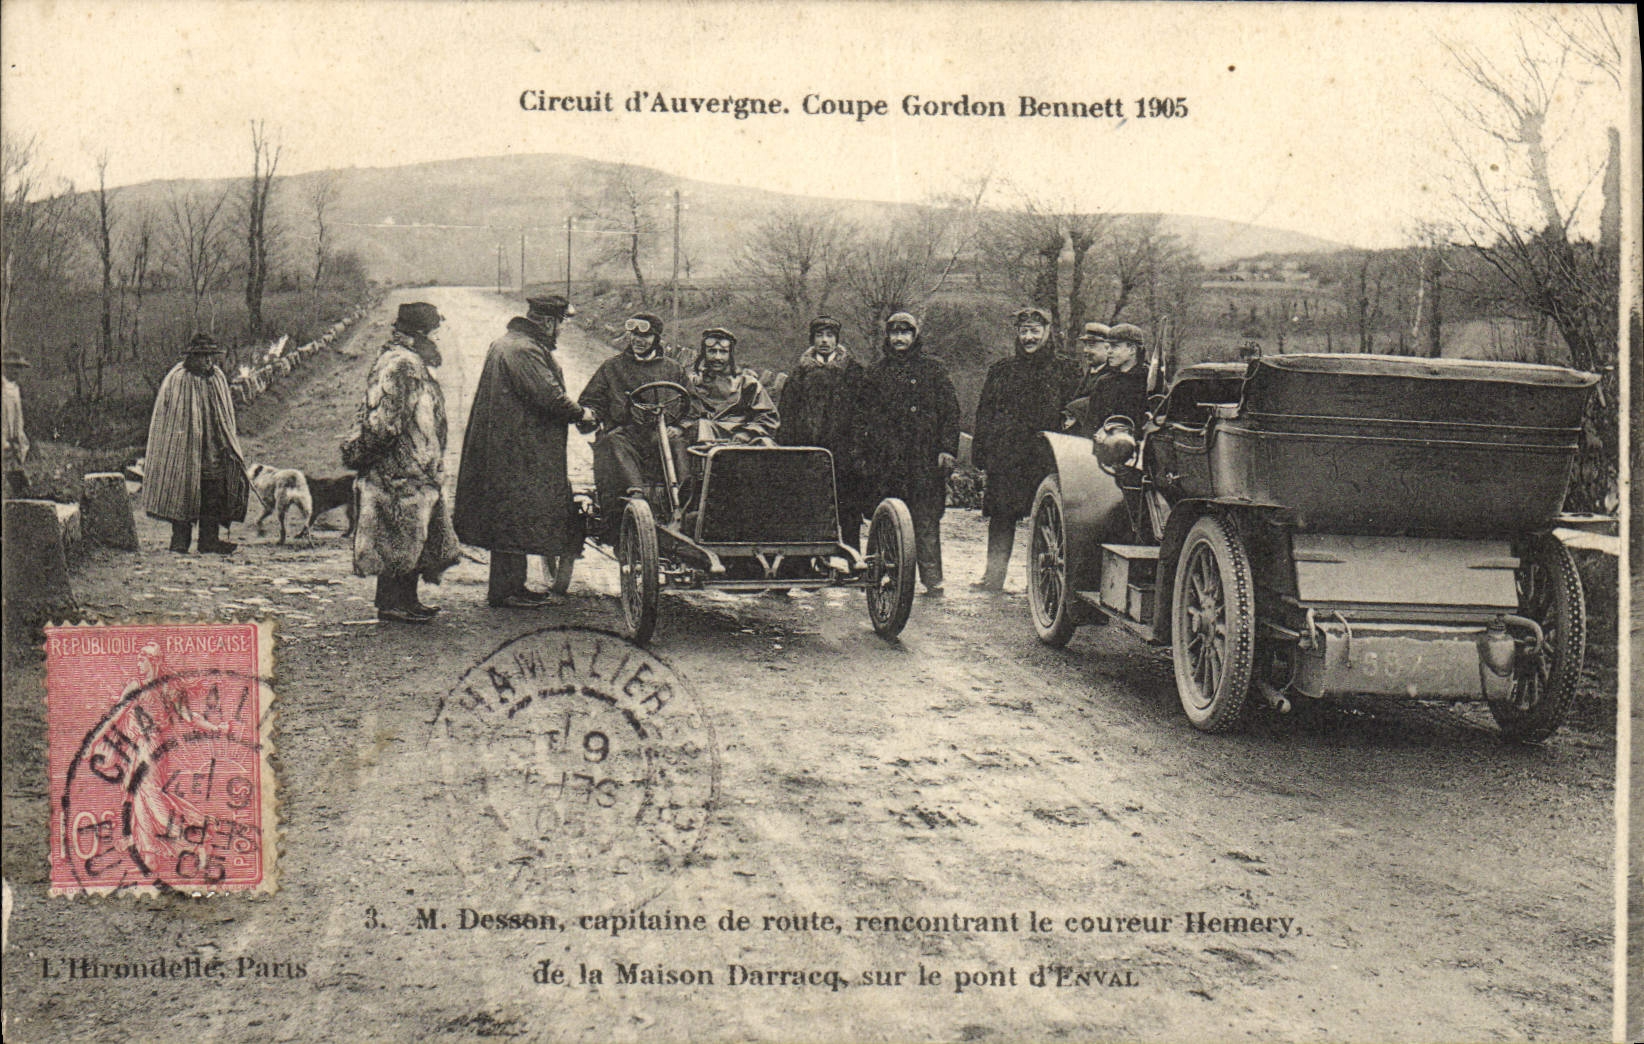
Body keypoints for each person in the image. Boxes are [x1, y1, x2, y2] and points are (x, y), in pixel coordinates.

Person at [454, 294, 595, 609]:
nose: (560, 330)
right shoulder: (523, 349)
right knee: (513, 516)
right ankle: (506, 591)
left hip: (511, 445)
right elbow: (549, 396)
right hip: (518, 448)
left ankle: (511, 586)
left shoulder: (513, 343)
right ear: (548, 321)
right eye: (560, 323)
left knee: (511, 516)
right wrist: (581, 414)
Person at [351, 302, 461, 623]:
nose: (437, 338)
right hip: (399, 468)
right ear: (419, 333)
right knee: (397, 533)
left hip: (415, 466)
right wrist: (373, 454)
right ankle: (391, 603)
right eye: (433, 331)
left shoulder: (410, 361)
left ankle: (408, 599)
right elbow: (385, 421)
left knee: (413, 533)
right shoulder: (401, 365)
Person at [971, 307, 1083, 591]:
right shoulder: (1001, 370)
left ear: (1047, 333)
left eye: (1035, 331)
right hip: (1006, 459)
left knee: (1049, 521)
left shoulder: (1067, 370)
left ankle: (1044, 583)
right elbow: (985, 413)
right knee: (1001, 519)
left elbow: (1075, 416)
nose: (1029, 338)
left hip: (1045, 459)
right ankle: (993, 576)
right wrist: (981, 451)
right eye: (1024, 331)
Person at [849, 312, 960, 596]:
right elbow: (860, 417)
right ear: (887, 336)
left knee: (925, 520)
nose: (899, 338)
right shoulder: (875, 373)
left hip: (924, 460)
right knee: (886, 518)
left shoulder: (934, 370)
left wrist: (947, 449)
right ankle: (884, 574)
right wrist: (861, 454)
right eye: (894, 333)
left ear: (915, 336)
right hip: (886, 460)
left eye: (905, 333)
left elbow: (950, 412)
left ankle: (933, 579)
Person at [142, 333, 249, 554]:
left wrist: (225, 440)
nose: (208, 361)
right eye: (203, 357)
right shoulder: (178, 379)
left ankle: (209, 540)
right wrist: (183, 443)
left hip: (213, 450)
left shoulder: (217, 378)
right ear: (191, 357)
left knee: (213, 493)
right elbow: (169, 421)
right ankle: (180, 540)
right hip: (185, 452)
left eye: (211, 356)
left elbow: (225, 414)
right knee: (183, 492)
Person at [578, 312, 691, 519]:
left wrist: (680, 426)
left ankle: (685, 498)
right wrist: (592, 414)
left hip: (662, 432)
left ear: (656, 339)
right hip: (626, 433)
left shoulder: (673, 369)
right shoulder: (612, 367)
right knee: (613, 440)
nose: (639, 341)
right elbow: (592, 400)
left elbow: (692, 404)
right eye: (634, 335)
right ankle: (636, 494)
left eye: (645, 337)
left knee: (678, 441)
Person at [779, 315, 867, 545]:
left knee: (847, 509)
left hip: (844, 454)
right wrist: (787, 449)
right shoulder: (799, 374)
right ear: (812, 339)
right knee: (807, 506)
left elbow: (864, 413)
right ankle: (809, 560)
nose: (825, 341)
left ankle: (851, 559)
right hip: (807, 452)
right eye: (820, 335)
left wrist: (858, 449)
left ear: (837, 340)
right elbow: (787, 414)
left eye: (830, 336)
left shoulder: (854, 373)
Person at [685, 328, 779, 445]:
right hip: (705, 436)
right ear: (704, 354)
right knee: (702, 426)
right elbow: (685, 416)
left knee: (766, 443)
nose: (717, 357)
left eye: (723, 352)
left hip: (742, 436)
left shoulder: (747, 383)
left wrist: (748, 433)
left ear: (731, 355)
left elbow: (768, 416)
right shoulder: (693, 382)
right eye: (712, 351)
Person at [3, 350, 31, 498]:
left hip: (13, 446)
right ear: (5, 367)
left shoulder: (15, 389)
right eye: (13, 367)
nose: (17, 371)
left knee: (21, 486)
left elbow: (18, 420)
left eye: (19, 368)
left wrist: (21, 443)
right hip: (4, 443)